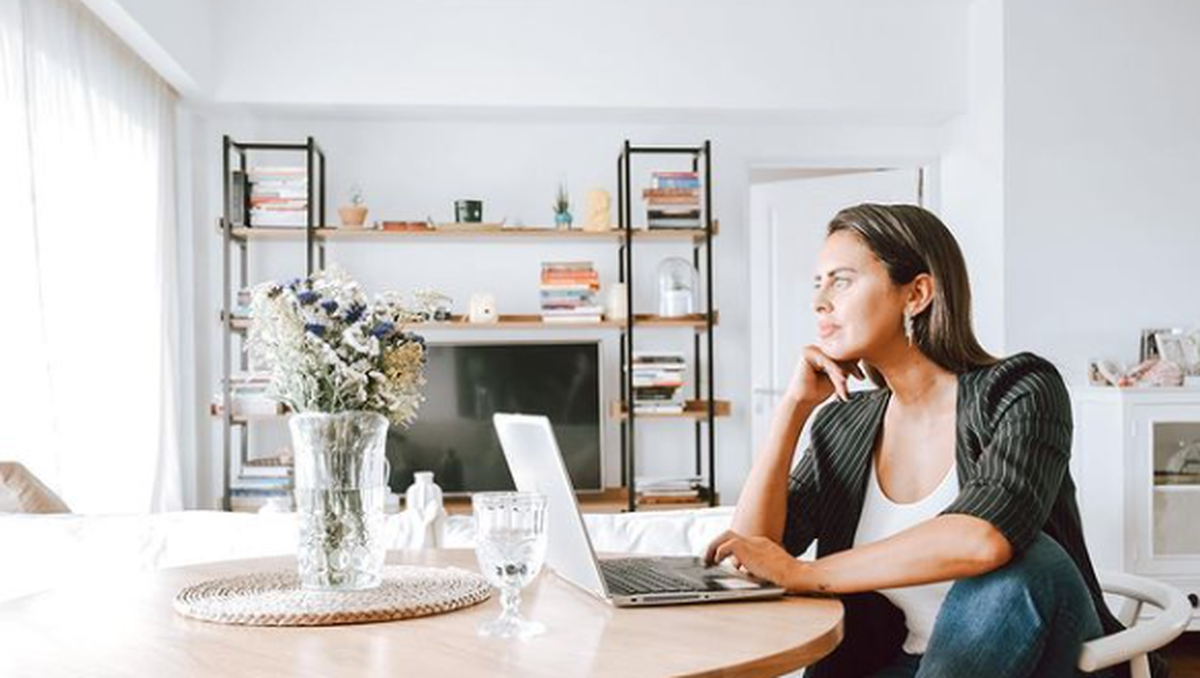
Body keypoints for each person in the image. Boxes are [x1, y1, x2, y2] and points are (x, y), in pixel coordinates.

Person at [705, 204, 1155, 677]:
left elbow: (982, 540)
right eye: (817, 285)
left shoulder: (1019, 389)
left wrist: (806, 574)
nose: (820, 302)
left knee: (1028, 563)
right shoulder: (844, 424)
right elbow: (755, 553)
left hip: (1043, 658)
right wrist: (793, 409)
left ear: (916, 293)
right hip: (902, 659)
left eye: (841, 280)